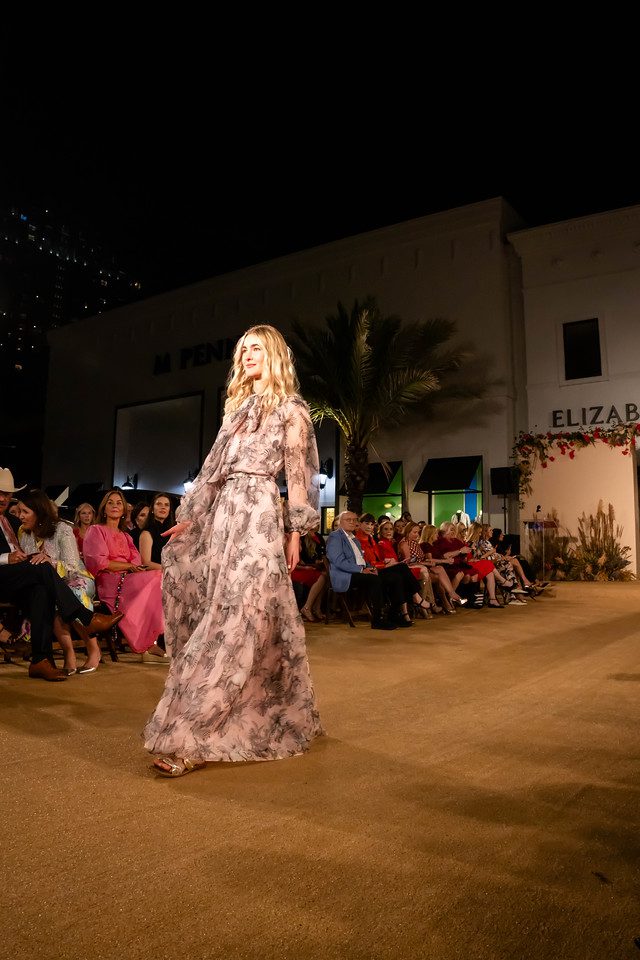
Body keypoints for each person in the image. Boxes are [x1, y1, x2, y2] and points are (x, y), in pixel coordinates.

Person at [143, 325, 324, 777]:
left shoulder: (292, 411)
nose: (247, 355)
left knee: (243, 613)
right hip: (223, 515)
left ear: (275, 355)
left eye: (256, 348)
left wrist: (295, 532)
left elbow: (298, 478)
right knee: (224, 609)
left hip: (260, 514)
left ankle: (193, 735)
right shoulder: (235, 412)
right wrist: (193, 514)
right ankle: (278, 708)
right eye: (243, 349)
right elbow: (211, 471)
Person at [0, 468, 123, 681]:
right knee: (42, 567)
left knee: (42, 589)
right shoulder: (21, 528)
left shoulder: (10, 523)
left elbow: (72, 565)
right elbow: (14, 557)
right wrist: (6, 558)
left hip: (60, 576)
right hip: (8, 576)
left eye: (8, 494)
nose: (3, 498)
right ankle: (87, 618)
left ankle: (41, 660)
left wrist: (21, 558)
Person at [17, 489, 98, 675]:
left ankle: (93, 649)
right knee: (49, 597)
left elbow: (72, 567)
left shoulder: (62, 529)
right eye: (19, 511)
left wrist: (50, 562)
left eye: (25, 512)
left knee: (70, 594)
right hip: (51, 583)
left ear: (38, 511)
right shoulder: (24, 533)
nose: (20, 516)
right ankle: (69, 652)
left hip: (76, 578)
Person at [83, 488, 165, 658]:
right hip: (109, 580)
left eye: (119, 503)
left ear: (123, 510)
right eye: (110, 502)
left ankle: (152, 640)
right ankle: (146, 643)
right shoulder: (96, 530)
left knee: (160, 580)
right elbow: (99, 562)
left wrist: (129, 567)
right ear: (103, 509)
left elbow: (136, 561)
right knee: (156, 577)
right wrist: (126, 566)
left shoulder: (126, 536)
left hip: (129, 577)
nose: (115, 506)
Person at [326, 511, 398, 630]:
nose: (352, 522)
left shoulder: (354, 539)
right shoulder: (335, 536)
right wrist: (361, 569)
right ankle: (377, 619)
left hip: (360, 572)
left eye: (354, 520)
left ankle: (396, 614)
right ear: (340, 522)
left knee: (395, 574)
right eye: (348, 519)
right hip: (346, 575)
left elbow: (362, 559)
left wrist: (370, 567)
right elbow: (338, 561)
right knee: (374, 580)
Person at [138, 493, 175, 570]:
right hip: (155, 577)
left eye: (166, 505)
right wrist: (169, 570)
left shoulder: (172, 532)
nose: (163, 507)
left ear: (169, 510)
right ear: (152, 509)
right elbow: (145, 563)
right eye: (159, 504)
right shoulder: (146, 533)